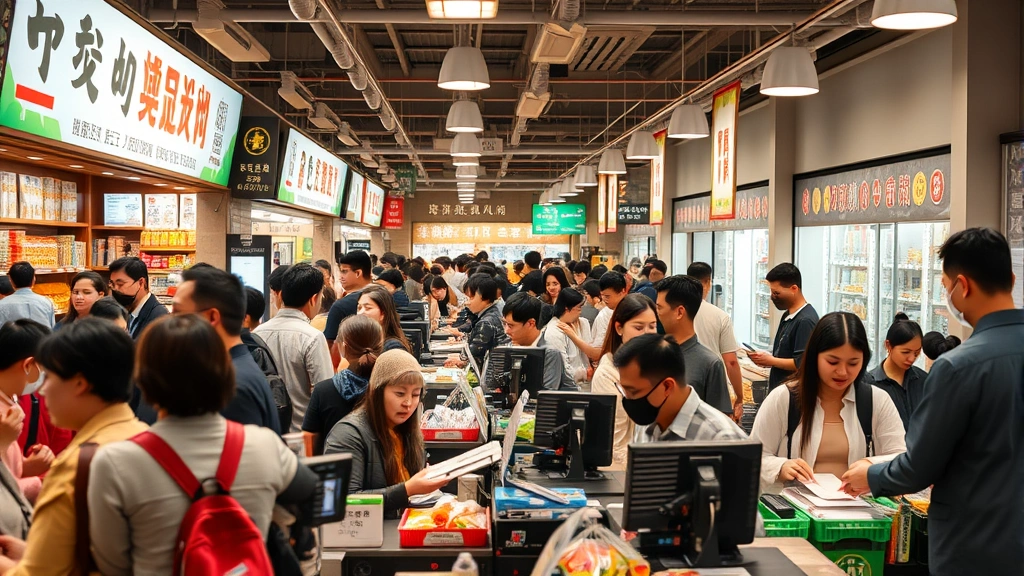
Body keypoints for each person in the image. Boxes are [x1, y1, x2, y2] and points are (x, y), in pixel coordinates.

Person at [841, 228, 1024, 576]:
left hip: (974, 548)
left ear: (962, 286)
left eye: (945, 286)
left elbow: (920, 467)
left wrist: (871, 475)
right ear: (1012, 280)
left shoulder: (958, 368)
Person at [86, 315, 317, 575]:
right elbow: (312, 491)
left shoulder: (115, 463)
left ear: (143, 382)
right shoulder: (263, 445)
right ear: (225, 374)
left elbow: (112, 563)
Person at [0, 319, 148, 576]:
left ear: (80, 384)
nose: (42, 391)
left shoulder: (75, 467)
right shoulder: (144, 436)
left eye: (50, 377)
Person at [749, 312, 905, 494]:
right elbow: (753, 458)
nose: (842, 372)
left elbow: (900, 459)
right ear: (814, 356)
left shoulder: (877, 401)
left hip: (856, 510)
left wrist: (871, 465)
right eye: (833, 362)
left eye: (853, 363)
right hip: (798, 509)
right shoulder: (784, 398)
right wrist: (780, 467)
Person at [324, 350, 448, 515]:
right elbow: (341, 501)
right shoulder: (347, 434)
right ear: (377, 391)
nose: (408, 403)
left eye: (415, 394)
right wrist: (407, 489)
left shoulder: (406, 430)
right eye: (400, 394)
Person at [172, 266, 281, 433]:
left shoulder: (232, 385)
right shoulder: (231, 368)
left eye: (178, 312)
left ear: (212, 317)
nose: (170, 322)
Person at [614, 334, 747, 444]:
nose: (629, 399)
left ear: (667, 386)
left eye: (634, 392)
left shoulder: (721, 439)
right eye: (624, 391)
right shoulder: (646, 425)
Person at [254, 264, 334, 433]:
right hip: (301, 436)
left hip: (264, 433)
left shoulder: (257, 333)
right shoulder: (312, 337)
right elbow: (325, 393)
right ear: (313, 299)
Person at [590, 295, 658, 464]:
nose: (647, 334)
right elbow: (614, 443)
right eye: (638, 327)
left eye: (652, 326)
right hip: (623, 469)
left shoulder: (655, 365)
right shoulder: (607, 374)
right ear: (619, 328)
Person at [303, 316, 382, 456]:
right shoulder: (388, 389)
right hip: (381, 468)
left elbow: (309, 442)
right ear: (381, 346)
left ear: (343, 347)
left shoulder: (323, 391)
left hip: (335, 466)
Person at [654, 276, 732, 415]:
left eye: (659, 307)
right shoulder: (652, 354)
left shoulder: (709, 364)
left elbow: (719, 420)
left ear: (679, 312)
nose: (656, 312)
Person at [0, 320, 54, 513]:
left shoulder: (9, 401)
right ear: (28, 365)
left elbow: (8, 469)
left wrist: (26, 466)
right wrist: (36, 485)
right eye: (43, 369)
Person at [687, 262, 745, 422]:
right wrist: (739, 397)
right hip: (715, 386)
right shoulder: (720, 316)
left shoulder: (677, 312)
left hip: (684, 384)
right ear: (708, 282)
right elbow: (731, 362)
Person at [748, 263, 819, 390]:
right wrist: (769, 357)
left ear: (794, 289)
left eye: (776, 293)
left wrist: (771, 361)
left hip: (793, 393)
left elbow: (801, 363)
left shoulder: (805, 321)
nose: (772, 297)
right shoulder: (788, 314)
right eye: (771, 292)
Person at [500, 292, 575, 391]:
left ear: (531, 323)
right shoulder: (507, 346)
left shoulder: (550, 353)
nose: (506, 331)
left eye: (511, 326)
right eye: (504, 324)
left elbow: (546, 394)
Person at [868, 313, 927, 431]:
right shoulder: (870, 384)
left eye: (917, 353)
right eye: (905, 352)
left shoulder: (924, 380)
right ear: (888, 345)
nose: (912, 358)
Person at [325, 251, 373, 366]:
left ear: (358, 273)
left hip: (350, 366)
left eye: (344, 271)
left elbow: (329, 345)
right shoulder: (386, 296)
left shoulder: (341, 306)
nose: (340, 277)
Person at [108, 257, 168, 340]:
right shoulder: (125, 311)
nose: (115, 289)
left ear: (141, 283)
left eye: (120, 284)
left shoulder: (159, 317)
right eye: (113, 285)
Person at [542, 288, 592, 387]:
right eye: (578, 308)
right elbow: (563, 370)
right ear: (567, 308)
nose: (580, 312)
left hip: (588, 383)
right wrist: (584, 374)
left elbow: (590, 352)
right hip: (570, 387)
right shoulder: (553, 332)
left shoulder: (583, 323)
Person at [459, 274, 509, 370]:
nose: (467, 302)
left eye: (471, 297)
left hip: (491, 374)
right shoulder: (491, 314)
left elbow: (472, 352)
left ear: (485, 297)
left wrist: (460, 358)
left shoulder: (486, 322)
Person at [586, 271, 629, 359]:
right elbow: (599, 350)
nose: (604, 300)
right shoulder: (604, 315)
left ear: (622, 291)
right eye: (602, 296)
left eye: (607, 296)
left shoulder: (636, 308)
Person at [357, 285, 412, 353]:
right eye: (359, 308)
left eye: (368, 308)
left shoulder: (393, 348)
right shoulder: (360, 343)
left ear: (383, 313)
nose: (360, 313)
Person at [0, 263, 54, 329]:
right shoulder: (46, 303)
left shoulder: (2, 305)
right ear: (34, 279)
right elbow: (52, 330)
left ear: (11, 280)